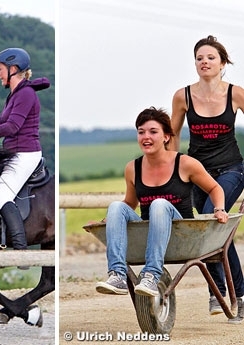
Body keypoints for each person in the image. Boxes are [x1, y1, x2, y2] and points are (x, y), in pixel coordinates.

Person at [95, 107, 228, 300]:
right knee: (116, 206)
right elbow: (130, 202)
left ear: (166, 137)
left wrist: (219, 209)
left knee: (159, 204)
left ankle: (151, 275)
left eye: (153, 132)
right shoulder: (133, 168)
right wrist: (111, 218)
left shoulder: (185, 163)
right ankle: (117, 275)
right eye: (141, 132)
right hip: (150, 231)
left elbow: (215, 188)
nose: (146, 137)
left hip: (181, 232)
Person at [170, 35, 244, 321]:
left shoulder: (236, 94)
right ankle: (226, 291)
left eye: (211, 57)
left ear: (222, 63)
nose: (204, 62)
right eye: (200, 58)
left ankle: (220, 292)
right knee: (214, 233)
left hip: (232, 170)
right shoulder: (183, 96)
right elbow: (173, 134)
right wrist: (173, 170)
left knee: (208, 219)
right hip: (196, 173)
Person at [0, 47, 50, 252]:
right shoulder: (14, 95)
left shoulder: (25, 94)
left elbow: (12, 127)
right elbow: (0, 125)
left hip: (25, 154)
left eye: (0, 69)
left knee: (2, 196)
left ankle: (21, 250)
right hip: (13, 152)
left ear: (13, 69)